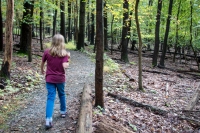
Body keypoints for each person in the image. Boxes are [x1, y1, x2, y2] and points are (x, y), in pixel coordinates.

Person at [41, 34, 70, 130]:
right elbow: (65, 66)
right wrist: (68, 58)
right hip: (60, 79)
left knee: (50, 98)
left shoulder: (47, 52)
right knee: (61, 94)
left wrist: (42, 70)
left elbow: (42, 62)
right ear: (62, 42)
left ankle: (48, 119)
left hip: (49, 78)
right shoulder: (64, 53)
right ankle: (63, 111)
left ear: (53, 41)